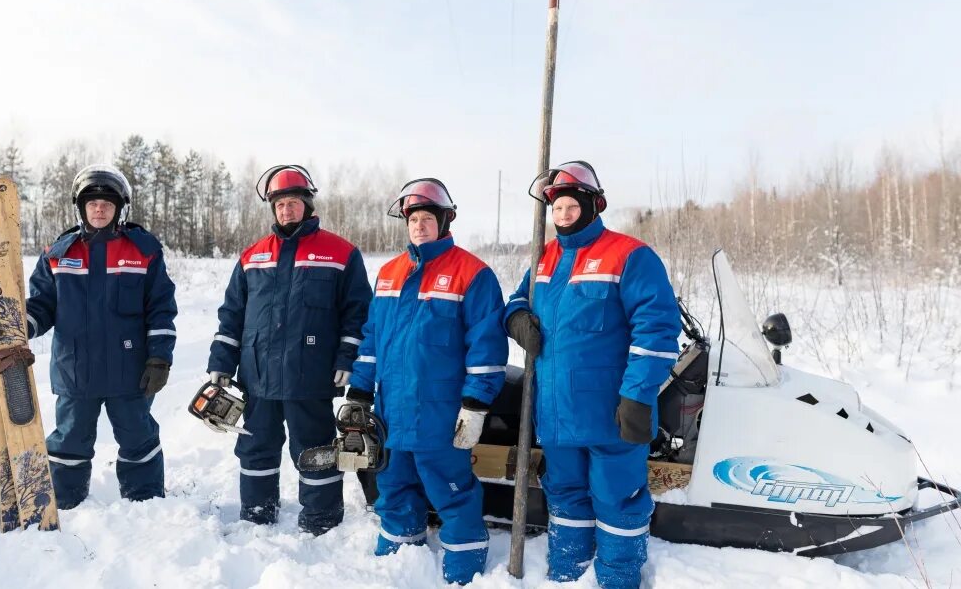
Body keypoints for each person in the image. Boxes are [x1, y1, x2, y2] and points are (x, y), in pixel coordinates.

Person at [503, 161, 681, 589]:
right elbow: (515, 299)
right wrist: (517, 318)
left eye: (570, 206)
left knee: (617, 499)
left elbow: (656, 328)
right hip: (556, 411)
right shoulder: (542, 257)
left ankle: (618, 578)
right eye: (557, 208)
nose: (562, 216)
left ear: (592, 205)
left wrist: (638, 394)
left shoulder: (630, 255)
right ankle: (567, 575)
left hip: (611, 413)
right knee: (564, 496)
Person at [0, 164, 177, 509]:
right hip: (75, 371)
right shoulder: (58, 255)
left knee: (139, 438)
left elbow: (161, 309)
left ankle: (148, 508)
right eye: (92, 203)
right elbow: (41, 308)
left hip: (129, 372)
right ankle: (65, 506)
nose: (99, 209)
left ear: (119, 209)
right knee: (69, 441)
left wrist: (160, 357)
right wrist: (10, 327)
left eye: (107, 204)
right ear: (81, 208)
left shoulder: (143, 251)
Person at [346, 178, 507, 585]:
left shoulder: (472, 274)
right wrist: (361, 390)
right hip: (391, 410)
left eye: (426, 219)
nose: (419, 226)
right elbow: (372, 339)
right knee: (394, 485)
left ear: (445, 221)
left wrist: (476, 404)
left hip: (441, 413)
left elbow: (487, 346)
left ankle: (465, 567)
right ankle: (398, 559)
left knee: (452, 491)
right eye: (413, 219)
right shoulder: (388, 273)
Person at [205, 165, 372, 535]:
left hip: (309, 376)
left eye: (293, 203)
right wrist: (221, 362)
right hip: (258, 376)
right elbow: (232, 313)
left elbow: (358, 313)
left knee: (314, 450)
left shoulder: (340, 253)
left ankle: (322, 518)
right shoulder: (253, 256)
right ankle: (258, 510)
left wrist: (348, 358)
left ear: (307, 206)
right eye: (280, 205)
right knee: (255, 448)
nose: (286, 211)